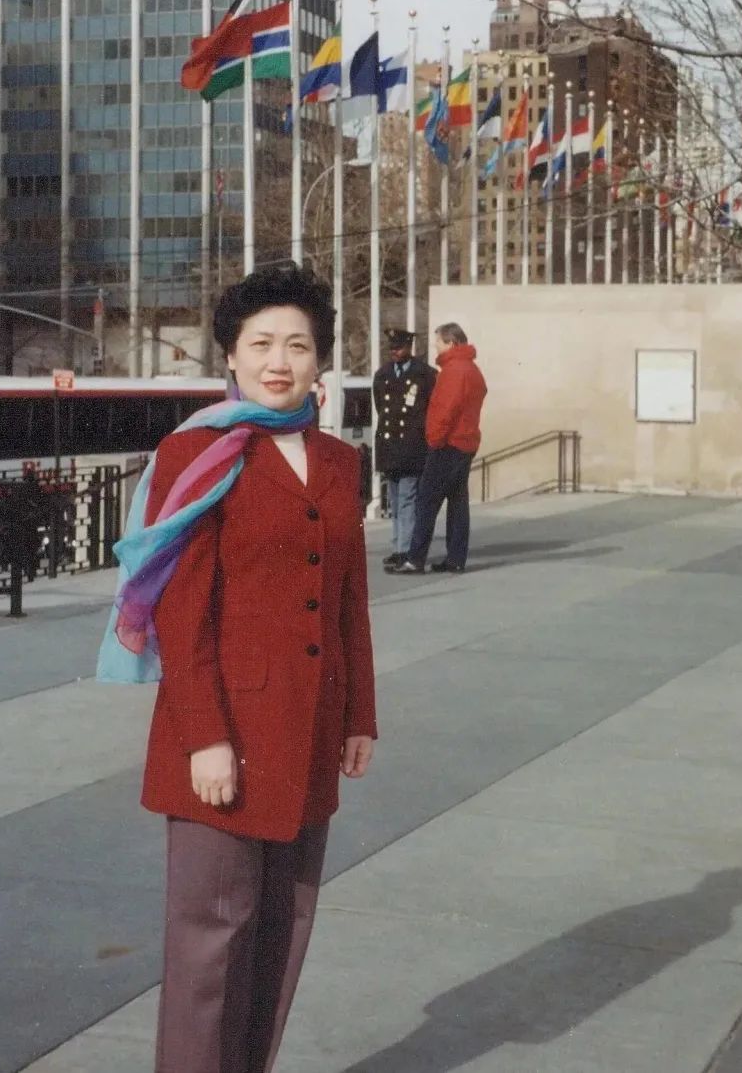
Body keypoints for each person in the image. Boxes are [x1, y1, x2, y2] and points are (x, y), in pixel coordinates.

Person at [96, 263, 377, 1073]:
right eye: (261, 343)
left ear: (321, 358)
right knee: (211, 940)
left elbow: (348, 598)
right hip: (223, 733)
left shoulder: (339, 459)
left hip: (310, 728)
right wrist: (205, 739)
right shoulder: (196, 451)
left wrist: (359, 714)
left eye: (298, 344)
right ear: (230, 353)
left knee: (283, 929)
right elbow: (182, 614)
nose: (279, 360)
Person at [386, 322, 487, 576]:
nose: (436, 348)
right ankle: (455, 559)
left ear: (451, 343)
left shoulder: (454, 371)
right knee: (458, 503)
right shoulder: (472, 369)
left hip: (447, 444)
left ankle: (415, 559)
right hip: (466, 443)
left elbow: (445, 410)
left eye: (438, 343)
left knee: (426, 502)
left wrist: (434, 439)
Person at [373, 326, 436, 567]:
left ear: (409, 348)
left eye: (398, 348)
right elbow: (381, 407)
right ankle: (398, 545)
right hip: (390, 446)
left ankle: (405, 549)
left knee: (407, 499)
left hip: (412, 445)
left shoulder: (424, 374)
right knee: (395, 501)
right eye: (392, 348)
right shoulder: (383, 374)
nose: (394, 352)